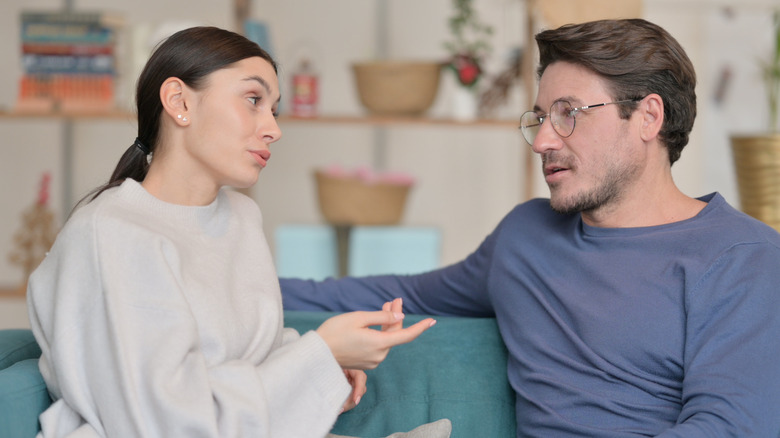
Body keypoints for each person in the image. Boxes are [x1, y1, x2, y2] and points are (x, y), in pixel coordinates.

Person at [281, 18, 780, 437]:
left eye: (568, 114)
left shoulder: (743, 257)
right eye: (539, 117)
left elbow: (728, 427)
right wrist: (231, 289)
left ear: (648, 116)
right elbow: (398, 293)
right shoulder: (525, 237)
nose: (542, 140)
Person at [26, 26, 435, 438]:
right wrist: (318, 355)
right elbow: (160, 422)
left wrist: (327, 365)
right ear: (179, 101)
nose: (274, 129)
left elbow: (251, 357)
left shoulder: (241, 218)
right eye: (254, 100)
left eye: (274, 109)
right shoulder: (111, 233)